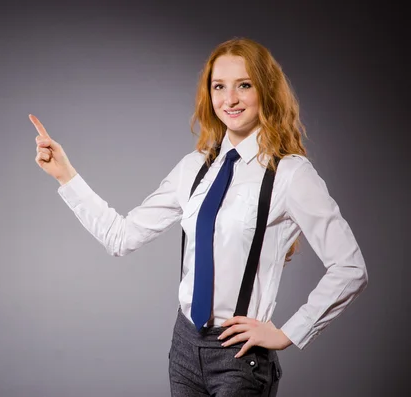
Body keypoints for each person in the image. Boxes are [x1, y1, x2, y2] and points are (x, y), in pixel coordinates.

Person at [29, 37, 368, 397]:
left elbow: (350, 268)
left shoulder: (290, 174)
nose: (230, 99)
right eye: (219, 86)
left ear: (266, 90)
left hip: (240, 360)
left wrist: (288, 333)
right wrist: (66, 176)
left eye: (244, 85)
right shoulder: (194, 168)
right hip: (185, 350)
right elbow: (120, 236)